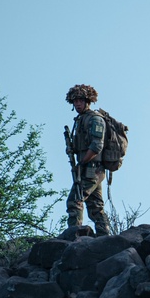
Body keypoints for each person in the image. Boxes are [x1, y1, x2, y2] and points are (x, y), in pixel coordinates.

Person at [64, 84, 111, 236]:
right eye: (75, 101)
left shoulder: (95, 119)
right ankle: (105, 237)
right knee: (95, 206)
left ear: (87, 101)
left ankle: (74, 235)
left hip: (92, 168)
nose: (77, 104)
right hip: (88, 167)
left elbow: (97, 145)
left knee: (75, 200)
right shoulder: (80, 120)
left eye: (80, 100)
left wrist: (82, 162)